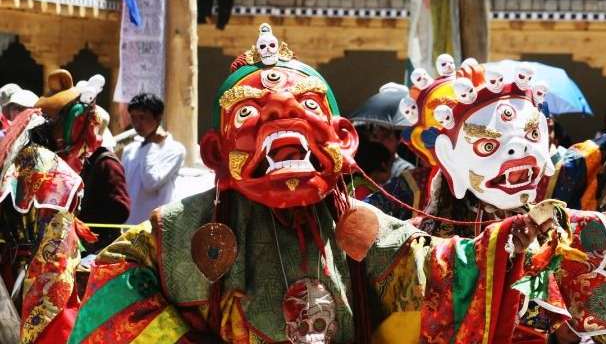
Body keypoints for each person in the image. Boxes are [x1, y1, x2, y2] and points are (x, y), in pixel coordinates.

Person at [68, 24, 549, 343]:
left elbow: (433, 271)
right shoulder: (180, 229)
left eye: (309, 110)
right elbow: (113, 284)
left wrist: (507, 242)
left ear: (342, 140)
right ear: (217, 154)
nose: (283, 120)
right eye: (251, 114)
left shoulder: (359, 223)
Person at [367, 58, 606, 342]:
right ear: (440, 148)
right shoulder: (412, 197)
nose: (518, 150)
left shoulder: (552, 209)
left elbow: (583, 162)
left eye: (532, 135)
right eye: (487, 145)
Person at [0, 109, 89, 343]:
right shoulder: (48, 164)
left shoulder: (12, 164)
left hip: (8, 269)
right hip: (40, 266)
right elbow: (57, 238)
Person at [34, 70, 131, 253]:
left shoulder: (105, 162)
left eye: (56, 121)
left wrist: (80, 224)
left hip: (94, 251)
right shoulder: (49, 159)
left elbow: (120, 210)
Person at [121, 93, 185, 224]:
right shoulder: (130, 150)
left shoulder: (175, 150)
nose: (137, 124)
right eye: (133, 118)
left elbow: (151, 183)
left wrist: (150, 145)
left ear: (158, 117)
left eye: (142, 118)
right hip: (129, 226)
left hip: (156, 228)